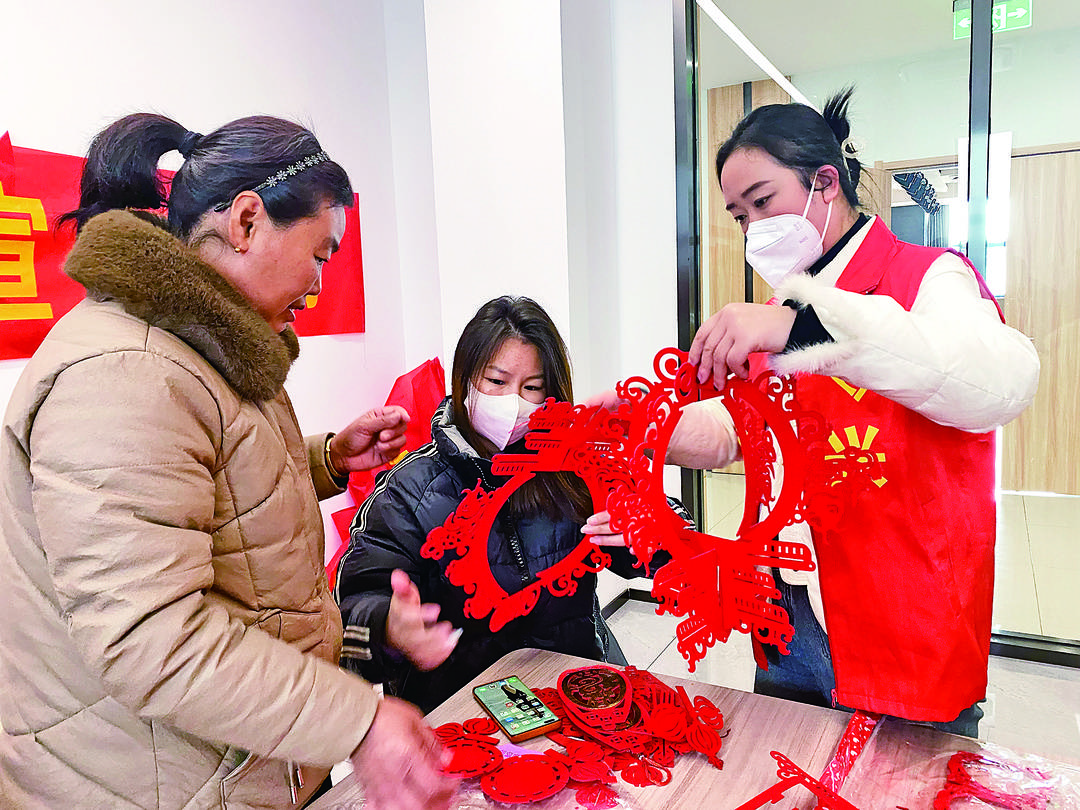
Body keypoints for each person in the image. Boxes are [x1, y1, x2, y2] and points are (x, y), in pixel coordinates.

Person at [0, 113, 456, 810]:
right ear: (247, 221)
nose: (317, 285)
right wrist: (358, 720)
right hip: (145, 784)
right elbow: (150, 637)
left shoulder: (205, 345)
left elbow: (203, 487)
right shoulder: (123, 372)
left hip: (240, 761)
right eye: (320, 254)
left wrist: (327, 458)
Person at [668, 89, 1039, 737]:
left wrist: (806, 330)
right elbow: (737, 431)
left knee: (901, 781)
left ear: (825, 182)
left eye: (763, 202)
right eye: (739, 216)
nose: (754, 230)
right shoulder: (783, 311)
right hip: (788, 611)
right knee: (788, 767)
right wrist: (639, 426)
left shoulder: (928, 277)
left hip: (901, 611)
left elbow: (1000, 381)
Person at [334, 296, 670, 713]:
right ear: (465, 379)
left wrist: (650, 526)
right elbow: (349, 610)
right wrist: (389, 627)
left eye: (532, 388)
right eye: (496, 382)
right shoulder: (409, 490)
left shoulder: (573, 467)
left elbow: (669, 556)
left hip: (575, 693)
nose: (514, 402)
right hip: (466, 711)